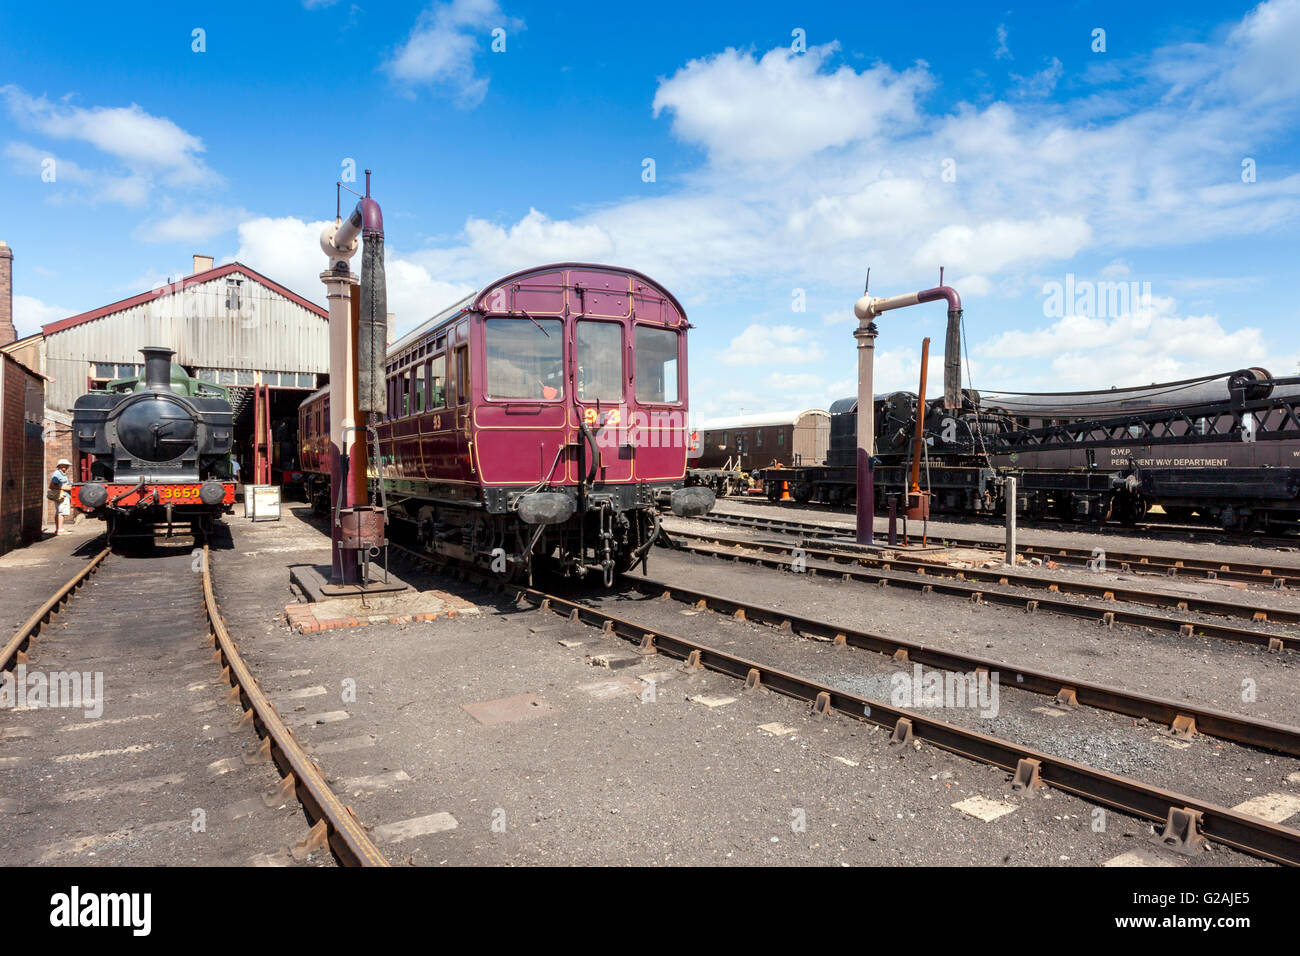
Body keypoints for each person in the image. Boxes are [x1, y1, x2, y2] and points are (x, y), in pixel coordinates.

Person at [48, 458, 73, 535]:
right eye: (65, 465)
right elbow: (51, 486)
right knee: (61, 513)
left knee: (59, 512)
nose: (67, 467)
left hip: (63, 495)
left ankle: (58, 529)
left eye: (67, 465)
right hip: (62, 495)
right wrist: (65, 488)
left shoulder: (62, 473)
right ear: (61, 466)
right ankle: (60, 530)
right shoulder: (57, 474)